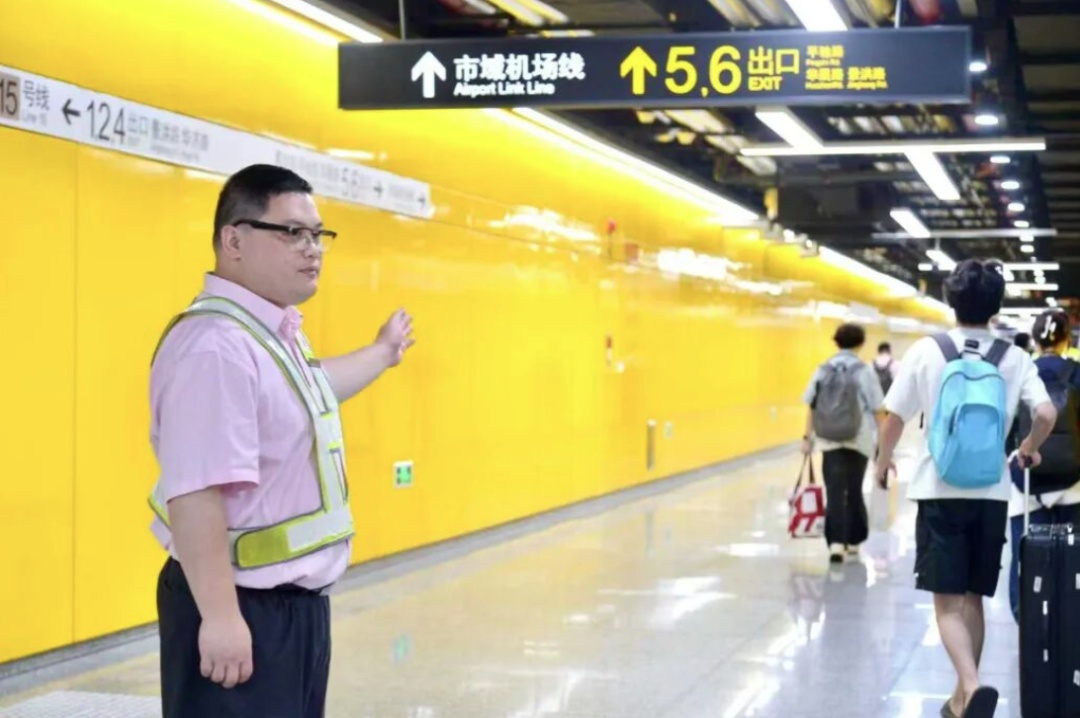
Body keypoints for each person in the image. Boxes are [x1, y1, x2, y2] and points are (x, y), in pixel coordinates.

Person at [147, 164, 415, 718]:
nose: (311, 248)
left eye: (318, 234)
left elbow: (312, 391)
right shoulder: (215, 347)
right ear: (233, 240)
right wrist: (221, 618)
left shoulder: (269, 333)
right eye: (292, 232)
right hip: (240, 605)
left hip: (289, 610)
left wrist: (382, 353)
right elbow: (195, 493)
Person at [874, 259, 1055, 718]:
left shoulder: (927, 350)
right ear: (996, 306)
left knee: (947, 603)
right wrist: (1029, 448)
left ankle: (970, 687)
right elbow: (1046, 414)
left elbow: (893, 418)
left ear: (951, 301)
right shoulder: (1016, 357)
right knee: (974, 596)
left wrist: (883, 461)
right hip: (992, 494)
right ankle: (960, 700)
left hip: (939, 489)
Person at [1007, 309, 1080, 621]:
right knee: (1073, 558)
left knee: (1025, 556)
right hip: (1073, 483)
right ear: (1066, 340)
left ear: (1036, 340)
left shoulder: (1021, 372)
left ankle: (1028, 622)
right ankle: (1069, 624)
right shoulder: (1077, 372)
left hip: (1026, 481)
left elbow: (1007, 426)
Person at [801, 323, 884, 564]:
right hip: (858, 439)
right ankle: (854, 541)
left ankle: (836, 544)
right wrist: (883, 443)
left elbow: (811, 405)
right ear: (861, 343)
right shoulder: (864, 371)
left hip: (829, 440)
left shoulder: (822, 370)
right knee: (854, 488)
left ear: (836, 342)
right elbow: (878, 409)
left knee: (835, 490)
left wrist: (807, 438)